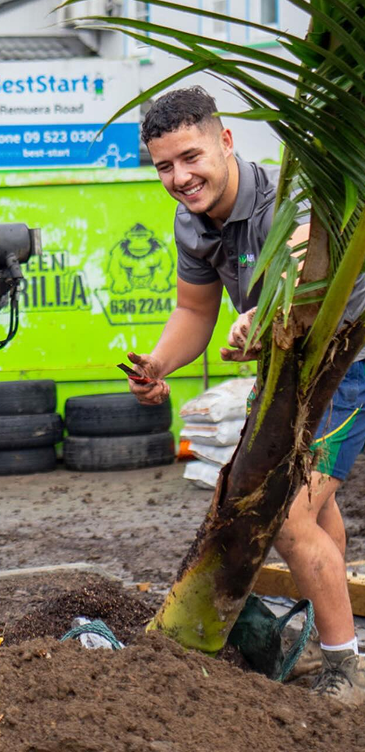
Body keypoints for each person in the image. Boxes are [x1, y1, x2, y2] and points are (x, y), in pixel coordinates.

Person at [127, 86, 365, 705]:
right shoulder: (191, 221)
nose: (180, 177)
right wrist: (158, 364)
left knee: (286, 512)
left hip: (348, 365)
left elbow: (304, 274)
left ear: (226, 141)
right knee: (313, 515)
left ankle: (347, 668)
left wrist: (266, 313)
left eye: (191, 157)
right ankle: (323, 640)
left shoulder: (289, 198)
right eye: (164, 166)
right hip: (286, 371)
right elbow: (193, 311)